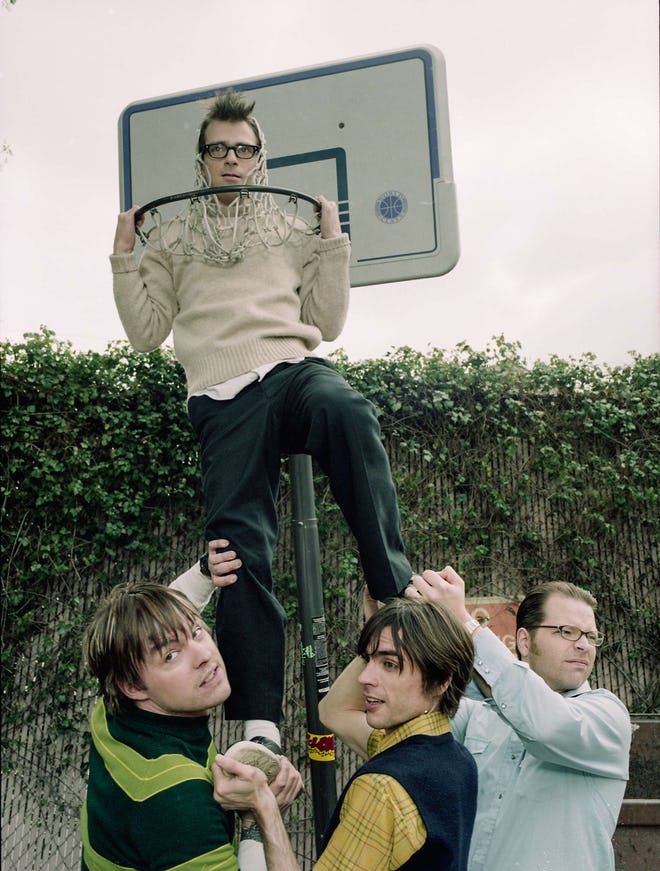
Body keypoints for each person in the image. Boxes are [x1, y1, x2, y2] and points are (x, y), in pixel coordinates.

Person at [111, 89, 413, 754]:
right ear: (203, 158)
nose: (231, 159)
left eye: (242, 149)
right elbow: (145, 331)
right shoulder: (175, 235)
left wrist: (332, 243)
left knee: (346, 407)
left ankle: (395, 595)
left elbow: (328, 322)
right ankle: (259, 720)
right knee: (233, 548)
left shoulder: (287, 225)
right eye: (218, 148)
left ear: (259, 158)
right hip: (221, 392)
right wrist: (125, 256)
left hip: (287, 370)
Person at [213, 596, 479, 870]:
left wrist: (264, 808)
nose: (365, 677)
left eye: (390, 665)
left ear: (441, 681)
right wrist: (385, 628)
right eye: (368, 660)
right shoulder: (458, 760)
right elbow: (332, 711)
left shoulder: (382, 788)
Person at [405, 567, 632, 871]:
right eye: (566, 631)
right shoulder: (479, 714)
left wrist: (463, 621)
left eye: (591, 636)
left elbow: (543, 723)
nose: (583, 645)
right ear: (524, 642)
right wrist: (390, 624)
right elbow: (400, 716)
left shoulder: (607, 716)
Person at [80, 581, 302, 871]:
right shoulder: (177, 801)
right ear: (133, 686)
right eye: (171, 656)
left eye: (197, 632)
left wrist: (206, 572)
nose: (204, 655)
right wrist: (261, 812)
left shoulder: (109, 714)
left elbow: (163, 628)